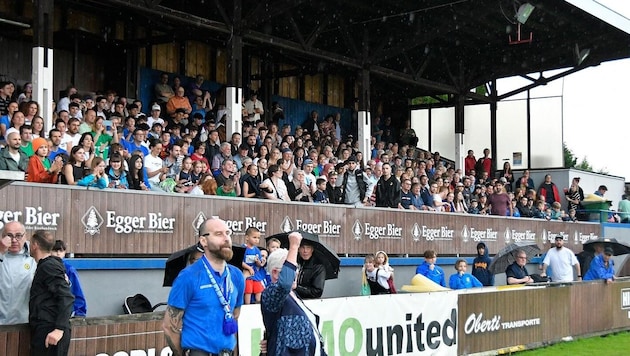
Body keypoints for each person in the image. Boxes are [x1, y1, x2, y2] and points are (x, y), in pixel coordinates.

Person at [162, 218, 245, 356]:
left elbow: (235, 314)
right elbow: (169, 326)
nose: (226, 238)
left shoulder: (236, 275)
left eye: (228, 233)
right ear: (203, 241)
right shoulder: (188, 276)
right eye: (218, 234)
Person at [261, 232, 327, 356]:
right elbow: (285, 283)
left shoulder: (294, 296)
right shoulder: (270, 294)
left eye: (296, 268)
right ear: (275, 273)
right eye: (292, 269)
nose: (296, 273)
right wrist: (294, 246)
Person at [28, 230, 74, 356]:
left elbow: (66, 296)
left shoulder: (49, 266)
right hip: (45, 328)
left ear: (35, 245)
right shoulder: (48, 265)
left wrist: (59, 329)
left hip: (50, 330)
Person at [0, 221, 36, 325]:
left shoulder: (35, 257)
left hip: (26, 324)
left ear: (26, 236)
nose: (14, 240)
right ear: (2, 237)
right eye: (9, 235)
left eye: (18, 236)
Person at [51, 240, 87, 317]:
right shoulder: (45, 267)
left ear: (64, 252)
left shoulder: (69, 269)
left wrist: (80, 313)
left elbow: (77, 291)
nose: (58, 253)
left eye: (61, 250)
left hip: (66, 311)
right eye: (55, 250)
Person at [242, 227, 265, 304]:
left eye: (258, 238)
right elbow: (240, 262)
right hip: (247, 275)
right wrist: (248, 268)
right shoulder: (243, 248)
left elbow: (260, 264)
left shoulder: (257, 250)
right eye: (254, 237)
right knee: (248, 291)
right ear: (247, 237)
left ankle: (258, 305)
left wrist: (258, 261)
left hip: (256, 275)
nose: (256, 240)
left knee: (258, 291)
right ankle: (247, 306)